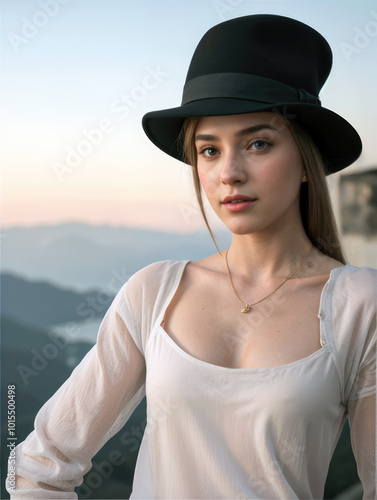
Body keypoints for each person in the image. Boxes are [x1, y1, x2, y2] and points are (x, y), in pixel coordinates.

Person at [6, 14, 376, 500]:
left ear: (307, 162)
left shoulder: (359, 303)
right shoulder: (153, 292)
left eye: (258, 143)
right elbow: (40, 465)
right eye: (208, 150)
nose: (230, 173)